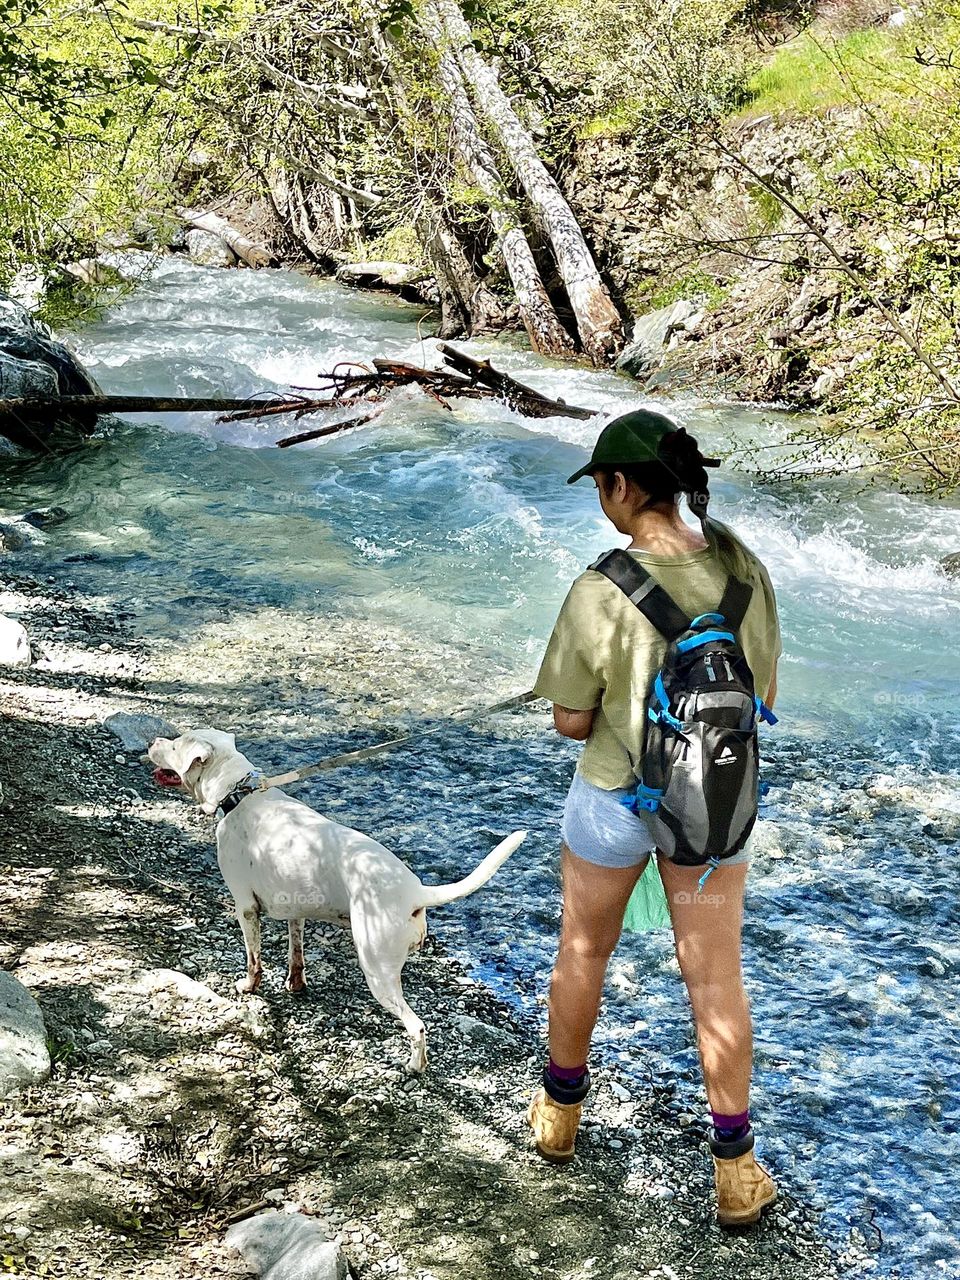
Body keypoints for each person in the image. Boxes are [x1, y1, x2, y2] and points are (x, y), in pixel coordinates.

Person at [528, 408, 782, 1227]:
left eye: (603, 486)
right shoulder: (745, 571)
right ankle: (736, 1172)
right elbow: (764, 700)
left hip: (612, 800)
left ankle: (559, 1121)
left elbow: (572, 719)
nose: (603, 500)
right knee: (714, 975)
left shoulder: (601, 587)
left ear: (623, 486)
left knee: (583, 948)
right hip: (712, 805)